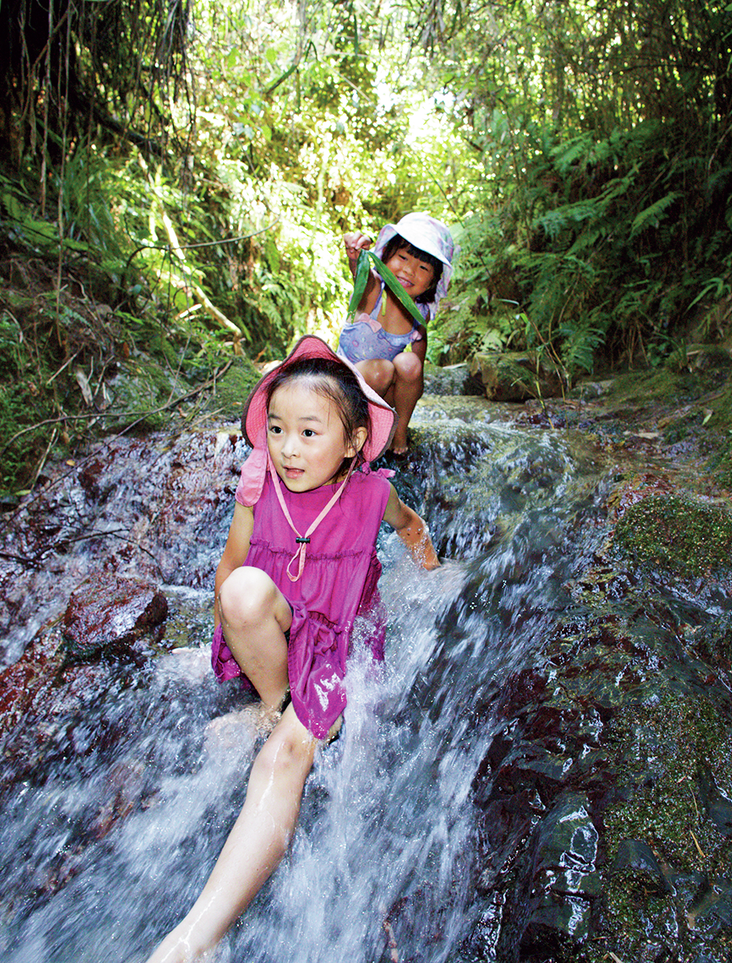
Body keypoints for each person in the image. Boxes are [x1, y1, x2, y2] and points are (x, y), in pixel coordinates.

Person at [144, 335, 439, 963]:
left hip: (338, 641)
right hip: (281, 629)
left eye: (310, 432)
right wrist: (229, 648)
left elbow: (410, 524)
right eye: (277, 429)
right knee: (247, 590)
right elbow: (228, 576)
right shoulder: (258, 486)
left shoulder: (369, 494)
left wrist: (429, 561)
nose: (288, 448)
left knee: (282, 761)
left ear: (354, 441)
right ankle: (274, 702)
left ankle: (195, 939)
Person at [339, 212, 455, 454]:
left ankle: (398, 433)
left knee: (408, 362)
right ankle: (349, 428)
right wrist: (355, 256)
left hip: (381, 399)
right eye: (402, 257)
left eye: (423, 267)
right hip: (343, 389)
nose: (409, 270)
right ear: (385, 257)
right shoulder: (373, 292)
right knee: (383, 369)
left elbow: (416, 378)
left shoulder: (419, 314)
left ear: (433, 282)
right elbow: (361, 274)